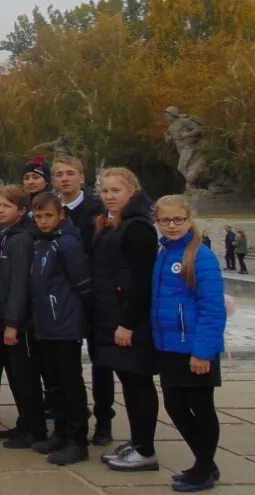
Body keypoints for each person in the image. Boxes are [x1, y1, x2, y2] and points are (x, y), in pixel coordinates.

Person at [152, 195, 227, 492]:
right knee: (174, 406)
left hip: (194, 348)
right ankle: (205, 462)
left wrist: (203, 351)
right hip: (169, 345)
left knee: (201, 407)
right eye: (165, 220)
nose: (171, 225)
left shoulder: (200, 256)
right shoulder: (164, 252)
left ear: (189, 220)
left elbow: (212, 307)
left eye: (178, 220)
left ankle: (204, 470)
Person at [91, 167, 160, 472]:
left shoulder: (138, 228)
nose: (109, 196)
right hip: (112, 315)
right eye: (105, 191)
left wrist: (129, 323)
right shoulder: (114, 223)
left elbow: (142, 280)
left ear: (132, 191)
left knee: (138, 382)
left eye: (116, 190)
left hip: (128, 321)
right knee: (129, 383)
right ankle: (138, 441)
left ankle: (146, 449)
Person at [53, 154, 114, 445]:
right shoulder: (51, 209)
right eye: (59, 174)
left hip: (92, 294)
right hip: (61, 298)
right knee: (64, 365)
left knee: (101, 361)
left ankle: (104, 420)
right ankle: (69, 418)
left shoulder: (96, 209)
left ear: (81, 176)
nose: (64, 179)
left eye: (69, 173)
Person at [29, 191, 93, 465]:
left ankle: (78, 439)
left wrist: (80, 320)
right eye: (39, 216)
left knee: (70, 382)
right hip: (44, 323)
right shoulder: (40, 243)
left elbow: (82, 284)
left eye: (48, 216)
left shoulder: (67, 244)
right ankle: (61, 431)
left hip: (64, 323)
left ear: (61, 216)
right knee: (53, 384)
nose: (43, 221)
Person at [0, 185, 48, 450]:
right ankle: (25, 422)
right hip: (6, 315)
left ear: (22, 210)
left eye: (7, 206)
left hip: (20, 322)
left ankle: (35, 428)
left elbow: (19, 284)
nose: (0, 210)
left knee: (25, 377)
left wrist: (13, 323)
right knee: (15, 376)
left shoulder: (22, 239)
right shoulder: (8, 235)